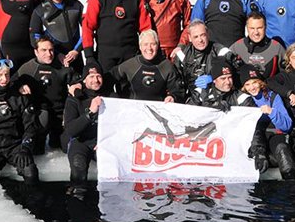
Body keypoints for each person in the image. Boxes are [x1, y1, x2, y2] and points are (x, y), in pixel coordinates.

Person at [82, 0, 152, 73]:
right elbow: (87, 27)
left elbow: (146, 29)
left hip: (130, 54)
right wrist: (89, 55)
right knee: (105, 89)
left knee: (129, 90)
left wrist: (147, 49)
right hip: (105, 54)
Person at [16, 36, 77, 154]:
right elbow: (12, 83)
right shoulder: (28, 68)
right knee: (37, 151)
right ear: (36, 52)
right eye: (44, 50)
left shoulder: (61, 67)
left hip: (59, 115)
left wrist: (76, 86)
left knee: (62, 147)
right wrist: (20, 86)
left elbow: (76, 80)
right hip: (39, 115)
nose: (48, 54)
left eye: (51, 50)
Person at [239, 64, 295, 180]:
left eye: (254, 82)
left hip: (274, 133)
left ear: (260, 83)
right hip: (256, 137)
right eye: (247, 84)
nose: (252, 87)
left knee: (282, 149)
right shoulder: (241, 99)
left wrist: (272, 112)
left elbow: (287, 125)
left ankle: (292, 185)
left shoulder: (272, 97)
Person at [62, 61, 106, 190]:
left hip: (101, 143)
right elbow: (70, 130)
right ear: (84, 80)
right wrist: (90, 113)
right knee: (78, 169)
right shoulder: (74, 99)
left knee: (112, 171)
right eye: (91, 76)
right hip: (80, 142)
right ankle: (77, 203)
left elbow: (118, 126)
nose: (96, 80)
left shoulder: (110, 97)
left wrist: (107, 142)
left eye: (98, 76)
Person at [29, 0, 85, 73]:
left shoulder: (76, 5)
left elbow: (87, 29)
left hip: (75, 55)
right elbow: (35, 35)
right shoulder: (40, 10)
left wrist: (76, 50)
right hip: (53, 56)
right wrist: (54, 52)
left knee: (79, 85)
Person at [110, 29, 184, 102]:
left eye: (153, 44)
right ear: (140, 46)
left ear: (157, 46)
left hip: (157, 110)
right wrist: (113, 96)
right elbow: (107, 79)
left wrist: (173, 97)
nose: (149, 48)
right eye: (145, 44)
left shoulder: (167, 66)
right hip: (134, 110)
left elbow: (178, 91)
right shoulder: (130, 65)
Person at [172, 20, 234, 99]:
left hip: (218, 97)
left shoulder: (220, 51)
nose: (200, 40)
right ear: (190, 38)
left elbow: (234, 71)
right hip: (192, 98)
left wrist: (213, 77)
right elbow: (176, 83)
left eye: (203, 35)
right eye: (196, 37)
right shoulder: (182, 55)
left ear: (208, 35)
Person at [230, 12, 286, 78]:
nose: (256, 32)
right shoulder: (237, 48)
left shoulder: (277, 48)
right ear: (247, 28)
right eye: (252, 28)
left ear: (265, 27)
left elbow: (286, 75)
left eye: (259, 28)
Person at [186, 56, 254, 110]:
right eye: (223, 78)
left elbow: (251, 116)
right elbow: (187, 112)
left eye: (229, 77)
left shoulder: (241, 97)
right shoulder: (201, 93)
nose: (227, 82)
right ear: (214, 80)